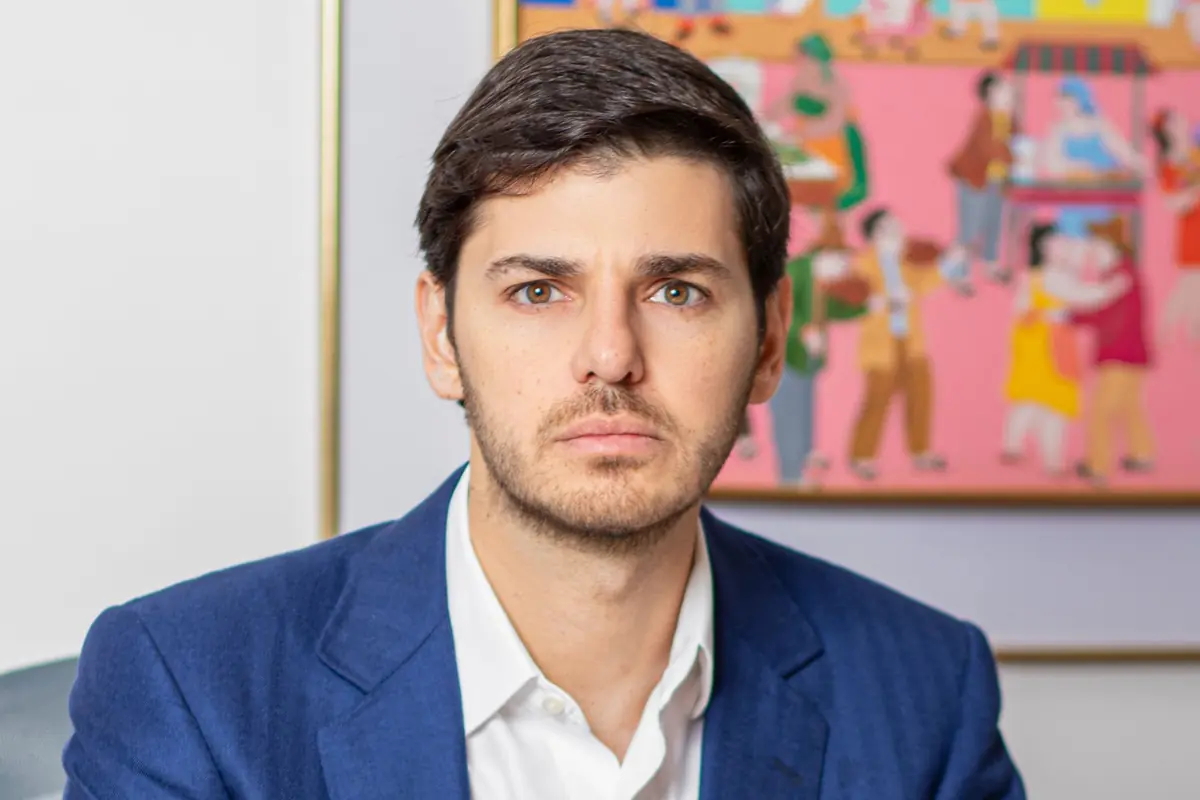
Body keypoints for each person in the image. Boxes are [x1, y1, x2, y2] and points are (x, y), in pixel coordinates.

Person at [62, 29, 1025, 800]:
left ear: (770, 341)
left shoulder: (925, 694)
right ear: (442, 335)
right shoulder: (192, 683)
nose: (610, 356)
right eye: (537, 291)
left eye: (677, 292)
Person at [848, 208, 973, 480]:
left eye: (898, 226)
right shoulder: (862, 263)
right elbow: (856, 299)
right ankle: (862, 457)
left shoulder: (907, 264)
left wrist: (950, 264)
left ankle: (921, 452)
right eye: (891, 227)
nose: (899, 231)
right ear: (875, 235)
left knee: (920, 395)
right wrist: (884, 302)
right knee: (877, 400)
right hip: (881, 344)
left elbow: (926, 283)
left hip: (911, 341)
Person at [1001, 222, 1129, 476]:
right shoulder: (1050, 277)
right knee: (1051, 404)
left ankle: (1018, 446)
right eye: (1060, 242)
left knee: (1034, 402)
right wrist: (1112, 288)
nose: (1068, 247)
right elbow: (1084, 296)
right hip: (1048, 347)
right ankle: (1049, 459)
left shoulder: (1039, 276)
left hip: (1040, 346)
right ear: (1045, 247)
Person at [770, 217, 869, 487]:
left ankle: (802, 462)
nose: (844, 268)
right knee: (789, 413)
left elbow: (839, 309)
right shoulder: (796, 273)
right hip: (782, 357)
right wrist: (804, 332)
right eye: (841, 261)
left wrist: (864, 304)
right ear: (825, 255)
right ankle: (790, 475)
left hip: (808, 359)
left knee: (804, 411)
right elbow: (777, 317)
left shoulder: (825, 281)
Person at [1069, 217, 1154, 487]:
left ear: (1112, 246)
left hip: (1120, 354)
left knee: (1102, 412)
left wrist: (1074, 318)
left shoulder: (1120, 276)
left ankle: (1098, 467)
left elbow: (1105, 312)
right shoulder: (1124, 274)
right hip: (1132, 354)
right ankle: (1143, 454)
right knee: (1129, 407)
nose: (1092, 251)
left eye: (1096, 244)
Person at [765, 33, 869, 219]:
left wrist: (799, 134)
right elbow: (780, 108)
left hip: (837, 150)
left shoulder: (834, 84)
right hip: (813, 150)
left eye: (802, 59)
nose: (797, 63)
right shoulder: (802, 81)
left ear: (814, 58)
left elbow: (833, 123)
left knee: (828, 203)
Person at [1041, 77, 1145, 240]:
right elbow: (1052, 165)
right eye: (1060, 99)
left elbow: (1124, 153)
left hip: (1102, 199)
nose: (1062, 104)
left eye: (1068, 99)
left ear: (1080, 100)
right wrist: (1078, 167)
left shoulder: (1100, 125)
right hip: (1073, 199)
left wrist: (1142, 165)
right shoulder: (1057, 130)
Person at [947, 70, 1018, 284]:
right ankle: (960, 273)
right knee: (970, 227)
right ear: (991, 94)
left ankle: (991, 265)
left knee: (994, 223)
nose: (1010, 93)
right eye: (1004, 89)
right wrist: (1016, 158)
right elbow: (992, 149)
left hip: (997, 182)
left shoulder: (1010, 120)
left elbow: (1017, 144)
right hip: (974, 181)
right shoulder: (984, 119)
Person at [1151, 107, 1200, 343]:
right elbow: (1174, 203)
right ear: (1168, 131)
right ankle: (1165, 330)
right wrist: (1194, 191)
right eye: (1177, 123)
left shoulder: (1194, 153)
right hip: (1192, 231)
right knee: (1189, 284)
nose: (1184, 125)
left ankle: (1191, 331)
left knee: (1194, 287)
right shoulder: (1169, 164)